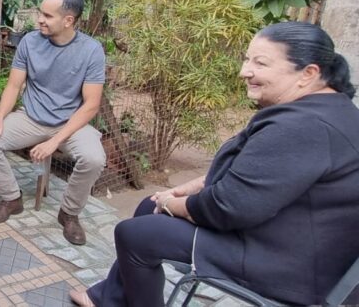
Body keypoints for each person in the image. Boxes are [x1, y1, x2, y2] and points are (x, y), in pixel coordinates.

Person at [69, 22, 359, 307]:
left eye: (260, 63)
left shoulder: (304, 127)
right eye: (247, 59)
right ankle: (107, 298)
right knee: (149, 206)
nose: (245, 71)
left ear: (308, 73)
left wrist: (174, 203)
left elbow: (229, 207)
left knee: (135, 235)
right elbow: (259, 176)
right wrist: (189, 189)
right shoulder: (327, 109)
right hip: (281, 231)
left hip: (287, 262)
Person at [0, 0, 106, 245]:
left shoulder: (91, 50)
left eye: (47, 15)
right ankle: (12, 199)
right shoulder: (30, 42)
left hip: (71, 124)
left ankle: (69, 214)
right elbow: (14, 86)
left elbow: (91, 105)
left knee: (94, 159)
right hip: (31, 118)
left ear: (68, 20)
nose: (40, 20)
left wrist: (55, 141)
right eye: (40, 13)